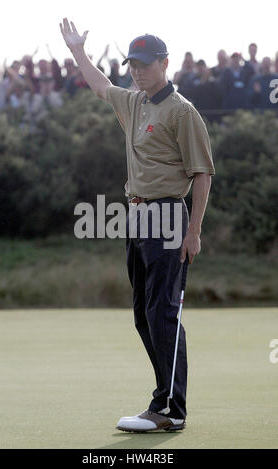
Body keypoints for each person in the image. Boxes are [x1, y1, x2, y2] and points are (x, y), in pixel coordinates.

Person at [60, 19, 215, 433]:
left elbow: (202, 174)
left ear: (165, 63)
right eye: (133, 64)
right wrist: (78, 52)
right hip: (137, 216)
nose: (137, 70)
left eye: (146, 64)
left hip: (168, 216)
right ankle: (164, 398)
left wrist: (194, 231)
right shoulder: (135, 103)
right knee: (143, 315)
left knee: (162, 313)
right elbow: (99, 85)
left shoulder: (182, 111)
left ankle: (170, 409)